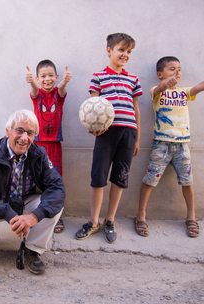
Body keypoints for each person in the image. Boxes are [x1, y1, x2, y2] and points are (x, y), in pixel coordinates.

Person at [134, 56, 204, 238]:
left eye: (179, 69)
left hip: (182, 146)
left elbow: (200, 86)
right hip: (161, 145)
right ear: (160, 74)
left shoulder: (183, 92)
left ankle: (191, 217)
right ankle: (141, 215)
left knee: (187, 182)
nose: (177, 72)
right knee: (150, 180)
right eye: (172, 68)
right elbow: (158, 89)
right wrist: (166, 84)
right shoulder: (156, 92)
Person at [0, 109, 65, 275]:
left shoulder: (39, 154)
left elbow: (57, 188)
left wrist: (33, 217)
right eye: (19, 131)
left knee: (54, 206)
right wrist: (8, 214)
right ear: (8, 131)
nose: (24, 138)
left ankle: (32, 249)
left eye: (30, 133)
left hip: (25, 202)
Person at [75, 33, 143, 244]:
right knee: (98, 178)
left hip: (129, 132)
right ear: (109, 51)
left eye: (129, 51)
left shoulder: (133, 79)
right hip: (106, 133)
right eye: (121, 49)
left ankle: (109, 220)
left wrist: (138, 138)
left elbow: (137, 110)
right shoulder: (98, 76)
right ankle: (94, 221)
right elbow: (93, 107)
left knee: (119, 179)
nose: (125, 54)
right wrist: (93, 127)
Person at [26, 60, 72, 233]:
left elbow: (61, 89)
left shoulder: (58, 96)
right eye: (43, 76)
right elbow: (34, 89)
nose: (47, 79)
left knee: (55, 179)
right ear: (38, 78)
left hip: (54, 143)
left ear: (56, 77)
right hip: (37, 144)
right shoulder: (37, 94)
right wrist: (31, 81)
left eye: (51, 75)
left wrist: (65, 82)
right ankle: (32, 213)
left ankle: (56, 215)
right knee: (32, 177)